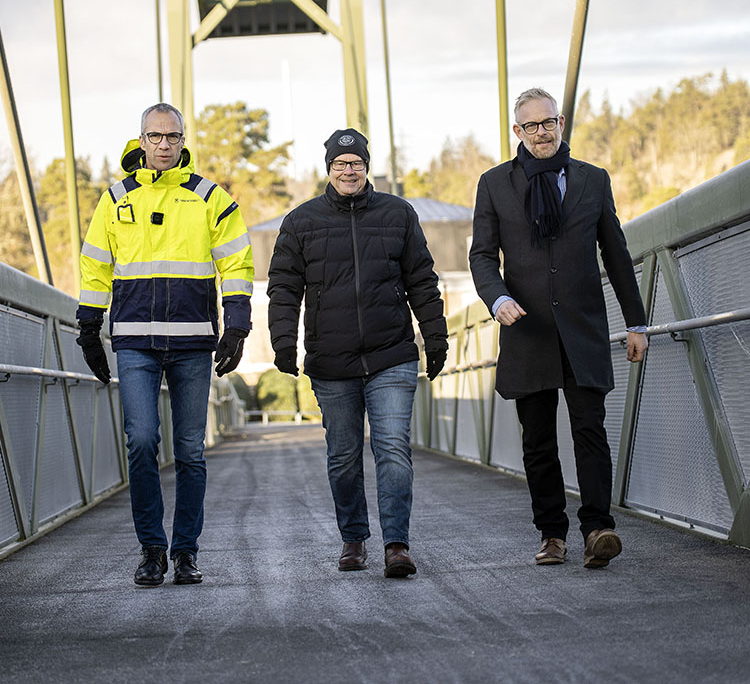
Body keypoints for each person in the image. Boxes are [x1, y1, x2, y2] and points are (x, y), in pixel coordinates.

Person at [469, 87, 647, 569]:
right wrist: (497, 297)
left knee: (590, 430)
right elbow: (482, 255)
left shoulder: (592, 179)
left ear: (561, 123)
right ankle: (552, 534)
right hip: (528, 332)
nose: (541, 132)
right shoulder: (494, 184)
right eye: (530, 126)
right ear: (517, 132)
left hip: (582, 330)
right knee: (538, 440)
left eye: (548, 123)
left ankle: (597, 529)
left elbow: (615, 252)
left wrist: (637, 321)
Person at [76, 103, 254, 587]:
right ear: (141, 140)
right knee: (142, 441)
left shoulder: (209, 198)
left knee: (191, 451)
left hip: (194, 341)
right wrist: (88, 327)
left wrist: (236, 324)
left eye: (172, 137)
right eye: (154, 137)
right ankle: (152, 550)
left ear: (182, 141)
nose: (163, 145)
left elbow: (237, 263)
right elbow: (95, 266)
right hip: (135, 341)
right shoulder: (114, 200)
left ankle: (186, 553)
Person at [267, 128, 447, 578]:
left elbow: (422, 281)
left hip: (391, 355)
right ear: (328, 169)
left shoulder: (398, 214)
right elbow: (284, 290)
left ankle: (396, 545)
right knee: (344, 456)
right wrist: (284, 343)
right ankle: (353, 538)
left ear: (367, 166)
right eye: (340, 164)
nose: (349, 171)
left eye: (357, 163)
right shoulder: (301, 222)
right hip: (332, 361)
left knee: (392, 448)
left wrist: (436, 337)